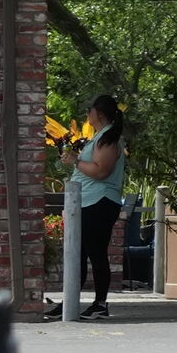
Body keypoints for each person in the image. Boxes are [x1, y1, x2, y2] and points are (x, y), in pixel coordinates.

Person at [65, 95, 130, 320]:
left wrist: (75, 161)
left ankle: (100, 303)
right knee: (79, 253)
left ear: (99, 113)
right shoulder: (98, 138)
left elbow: (101, 171)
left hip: (99, 202)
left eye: (89, 110)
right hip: (87, 201)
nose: (87, 114)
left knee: (95, 252)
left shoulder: (108, 139)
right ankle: (70, 302)